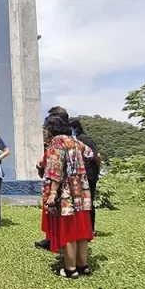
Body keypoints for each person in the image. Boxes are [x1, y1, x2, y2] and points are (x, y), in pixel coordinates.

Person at [39, 114, 94, 279]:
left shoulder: (57, 142)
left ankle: (70, 269)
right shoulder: (75, 141)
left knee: (68, 227)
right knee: (81, 227)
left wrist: (53, 192)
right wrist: (78, 168)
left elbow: (56, 168)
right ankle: (83, 265)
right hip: (81, 189)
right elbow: (90, 154)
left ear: (51, 128)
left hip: (66, 191)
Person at [36, 105, 69, 250]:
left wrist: (54, 191)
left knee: (59, 215)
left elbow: (57, 167)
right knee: (50, 213)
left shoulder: (60, 142)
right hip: (53, 182)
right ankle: (50, 238)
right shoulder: (60, 141)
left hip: (60, 185)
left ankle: (58, 243)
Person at [69, 118, 101, 233]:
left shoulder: (83, 139)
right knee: (82, 201)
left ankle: (91, 229)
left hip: (90, 174)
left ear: (76, 128)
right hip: (82, 174)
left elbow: (97, 155)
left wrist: (98, 170)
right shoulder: (76, 139)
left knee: (89, 201)